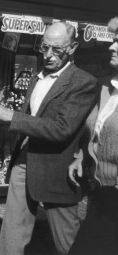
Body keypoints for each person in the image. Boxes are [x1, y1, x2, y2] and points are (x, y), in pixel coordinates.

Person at [0, 22, 99, 255]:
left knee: (67, 241)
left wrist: (11, 116)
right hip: (24, 161)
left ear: (73, 47)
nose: (48, 55)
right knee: (12, 233)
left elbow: (62, 128)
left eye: (57, 49)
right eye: (44, 47)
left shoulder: (83, 82)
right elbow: (34, 117)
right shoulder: (37, 77)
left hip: (58, 168)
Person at [68, 17, 118, 255]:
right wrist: (82, 157)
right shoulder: (107, 88)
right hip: (102, 195)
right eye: (114, 39)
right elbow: (98, 134)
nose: (112, 46)